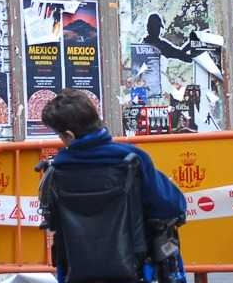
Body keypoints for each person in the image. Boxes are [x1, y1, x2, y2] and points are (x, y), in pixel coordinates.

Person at [38, 88, 187, 229]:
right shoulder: (133, 158)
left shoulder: (57, 170)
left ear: (69, 136)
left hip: (77, 254)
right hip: (133, 253)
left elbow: (53, 220)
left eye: (59, 135)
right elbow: (172, 207)